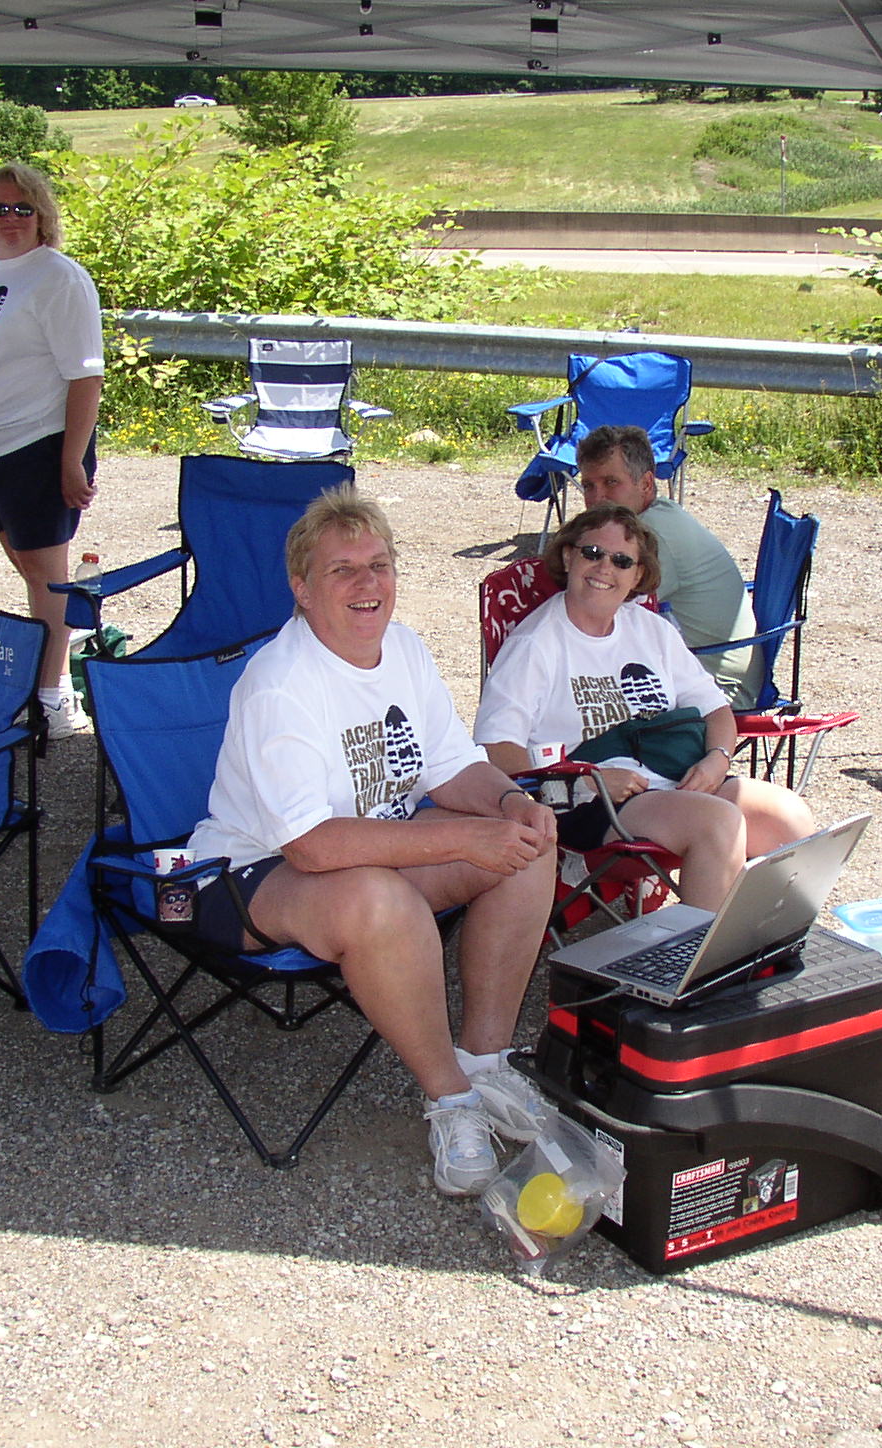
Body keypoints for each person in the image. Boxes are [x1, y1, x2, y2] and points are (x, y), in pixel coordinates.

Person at [188, 485, 559, 1198]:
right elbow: (311, 846)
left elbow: (451, 764)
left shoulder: (404, 649)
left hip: (371, 850)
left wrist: (512, 802)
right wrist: (462, 838)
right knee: (380, 900)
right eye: (343, 570)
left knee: (524, 846)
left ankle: (484, 1062)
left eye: (379, 565)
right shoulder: (282, 683)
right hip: (248, 873)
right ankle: (451, 1099)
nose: (368, 584)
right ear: (302, 589)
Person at [474, 505, 816, 912]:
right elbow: (497, 748)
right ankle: (702, 952)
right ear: (567, 557)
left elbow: (715, 710)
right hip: (591, 803)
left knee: (790, 818)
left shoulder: (651, 630)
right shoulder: (535, 645)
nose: (605, 568)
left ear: (638, 575)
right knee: (716, 822)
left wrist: (717, 760)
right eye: (592, 553)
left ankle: (763, 942)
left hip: (676, 778)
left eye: (622, 561)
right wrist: (585, 782)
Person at [0, 161, 105, 737]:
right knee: (28, 569)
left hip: (37, 444)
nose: (9, 218)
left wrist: (71, 459)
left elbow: (86, 375)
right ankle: (57, 655)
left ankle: (52, 698)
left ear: (42, 217)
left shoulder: (59, 278)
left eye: (22, 208)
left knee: (46, 576)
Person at [575, 423, 763, 707]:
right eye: (589, 485)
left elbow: (599, 614)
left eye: (611, 482)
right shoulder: (657, 516)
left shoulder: (649, 536)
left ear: (646, 484)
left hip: (715, 690)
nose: (596, 498)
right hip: (692, 668)